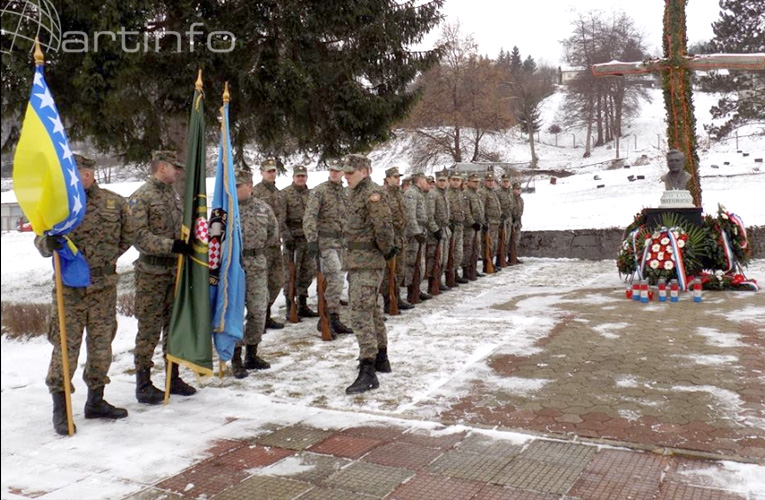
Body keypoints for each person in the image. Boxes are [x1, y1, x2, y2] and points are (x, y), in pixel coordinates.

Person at [35, 154, 133, 435]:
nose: (84, 177)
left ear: (94, 174)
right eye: (78, 172)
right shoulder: (57, 205)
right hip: (70, 290)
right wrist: (47, 243)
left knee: (102, 346)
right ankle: (61, 406)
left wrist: (105, 259)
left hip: (103, 287)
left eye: (87, 171)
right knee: (66, 346)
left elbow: (128, 235)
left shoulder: (115, 202)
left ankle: (96, 400)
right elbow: (41, 240)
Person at [130, 150, 197, 405]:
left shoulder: (172, 194)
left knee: (173, 325)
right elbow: (139, 237)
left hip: (174, 271)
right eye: (174, 167)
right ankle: (143, 383)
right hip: (151, 273)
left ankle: (173, 375)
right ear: (162, 168)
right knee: (149, 328)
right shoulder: (141, 197)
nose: (178, 172)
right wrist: (172, 246)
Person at [341, 154, 395, 394]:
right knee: (372, 310)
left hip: (368, 262)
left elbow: (383, 228)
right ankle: (381, 357)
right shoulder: (354, 193)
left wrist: (383, 252)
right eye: (345, 171)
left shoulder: (372, 195)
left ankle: (368, 369)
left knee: (359, 314)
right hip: (357, 262)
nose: (345, 175)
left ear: (365, 171)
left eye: (350, 172)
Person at [229, 167, 277, 378]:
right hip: (234, 265)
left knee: (258, 310)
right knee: (235, 312)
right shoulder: (225, 210)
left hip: (257, 263)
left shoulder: (263, 209)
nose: (234, 189)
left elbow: (273, 235)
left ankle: (252, 353)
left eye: (238, 185)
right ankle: (235, 358)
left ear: (249, 186)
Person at [303, 160, 353, 335]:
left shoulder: (346, 192)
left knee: (337, 281)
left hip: (343, 243)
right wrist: (311, 239)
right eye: (331, 170)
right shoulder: (319, 191)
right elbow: (310, 216)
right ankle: (325, 317)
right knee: (336, 278)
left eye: (337, 171)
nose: (334, 173)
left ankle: (334, 316)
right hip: (325, 243)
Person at [252, 157, 286, 330]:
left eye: (274, 171)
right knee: (261, 283)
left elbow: (281, 217)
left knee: (277, 280)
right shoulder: (256, 192)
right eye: (269, 171)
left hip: (276, 244)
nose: (272, 174)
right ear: (261, 173)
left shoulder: (278, 192)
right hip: (262, 246)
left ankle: (267, 311)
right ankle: (260, 319)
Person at [281, 165, 317, 320]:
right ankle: (290, 306)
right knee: (291, 274)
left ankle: (302, 303)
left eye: (303, 176)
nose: (300, 178)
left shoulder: (312, 194)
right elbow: (281, 219)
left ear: (306, 177)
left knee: (307, 272)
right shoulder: (285, 194)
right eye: (298, 176)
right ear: (293, 177)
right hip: (293, 240)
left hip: (308, 239)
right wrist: (286, 237)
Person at [380, 166, 413, 312]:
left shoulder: (400, 194)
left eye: (399, 177)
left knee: (399, 269)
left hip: (400, 236)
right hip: (390, 238)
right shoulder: (383, 194)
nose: (398, 180)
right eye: (395, 177)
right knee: (388, 272)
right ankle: (388, 300)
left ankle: (397, 297)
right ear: (387, 179)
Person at [404, 172, 431, 302]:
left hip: (421, 229)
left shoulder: (418, 193)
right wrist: (416, 232)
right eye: (425, 180)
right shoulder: (411, 193)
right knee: (412, 263)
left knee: (419, 263)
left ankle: (417, 289)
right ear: (420, 180)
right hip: (413, 234)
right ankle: (411, 292)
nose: (427, 183)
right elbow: (410, 215)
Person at [427, 170, 451, 291]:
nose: (442, 183)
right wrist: (435, 230)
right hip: (435, 231)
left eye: (444, 180)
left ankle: (439, 280)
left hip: (445, 229)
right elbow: (429, 215)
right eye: (440, 180)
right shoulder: (433, 194)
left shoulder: (445, 194)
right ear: (436, 181)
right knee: (435, 258)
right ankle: (433, 283)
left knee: (443, 258)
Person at [445, 170, 468, 284]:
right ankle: (450, 275)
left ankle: (455, 272)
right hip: (451, 226)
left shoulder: (460, 193)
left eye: (458, 180)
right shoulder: (447, 193)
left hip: (460, 226)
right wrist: (450, 222)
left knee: (458, 252)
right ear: (449, 180)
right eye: (453, 180)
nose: (456, 182)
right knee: (451, 253)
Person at [462, 173, 485, 280]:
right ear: (469, 182)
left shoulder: (477, 194)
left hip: (477, 225)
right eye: (474, 182)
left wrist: (482, 222)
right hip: (469, 227)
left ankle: (473, 268)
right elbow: (466, 211)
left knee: (477, 248)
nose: (476, 183)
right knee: (468, 249)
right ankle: (466, 270)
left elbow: (480, 210)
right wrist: (472, 222)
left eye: (477, 181)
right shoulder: (466, 194)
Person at [479, 172, 502, 272]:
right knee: (488, 244)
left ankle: (491, 262)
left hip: (495, 222)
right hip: (489, 222)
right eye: (488, 181)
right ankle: (486, 263)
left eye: (492, 181)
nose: (490, 183)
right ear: (484, 182)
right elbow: (482, 209)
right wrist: (484, 222)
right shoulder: (483, 193)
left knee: (494, 243)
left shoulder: (493, 192)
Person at [498, 174, 516, 267]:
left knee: (507, 240)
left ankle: (504, 259)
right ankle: (499, 260)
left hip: (509, 219)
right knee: (502, 240)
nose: (506, 183)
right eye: (504, 181)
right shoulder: (498, 192)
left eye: (507, 181)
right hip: (502, 220)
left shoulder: (510, 192)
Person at [510, 181, 525, 265]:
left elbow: (520, 211)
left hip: (518, 222)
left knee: (516, 240)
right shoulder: (511, 199)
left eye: (519, 189)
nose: (518, 191)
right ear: (513, 189)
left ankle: (514, 256)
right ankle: (510, 257)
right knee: (511, 241)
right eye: (517, 189)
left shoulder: (520, 199)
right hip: (511, 222)